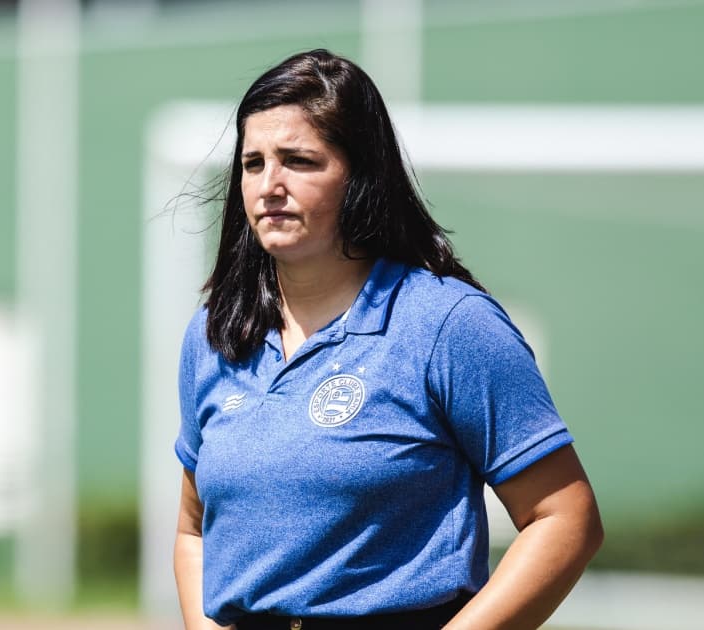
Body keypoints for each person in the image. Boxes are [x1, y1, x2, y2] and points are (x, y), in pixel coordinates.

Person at [172, 50, 603, 630]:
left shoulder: (447, 324)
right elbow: (192, 531)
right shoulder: (216, 333)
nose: (269, 184)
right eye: (253, 163)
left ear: (362, 176)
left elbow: (565, 519)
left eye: (298, 160)